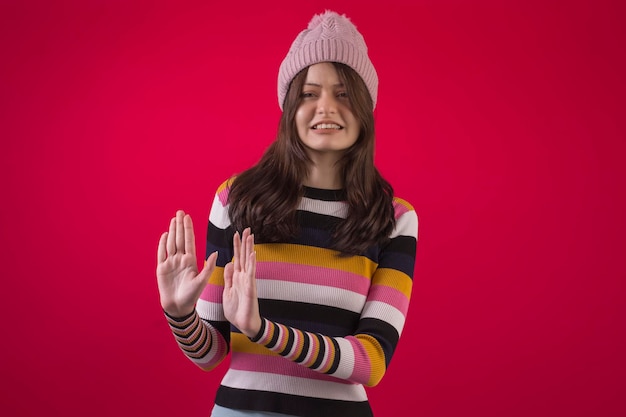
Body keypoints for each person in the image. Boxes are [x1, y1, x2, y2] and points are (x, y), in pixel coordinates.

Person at [156, 10, 418, 417]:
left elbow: (371, 361)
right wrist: (179, 313)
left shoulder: (394, 218)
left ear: (366, 107)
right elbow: (210, 353)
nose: (326, 107)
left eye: (344, 93)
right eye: (310, 93)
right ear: (290, 107)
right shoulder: (235, 199)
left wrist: (264, 331)